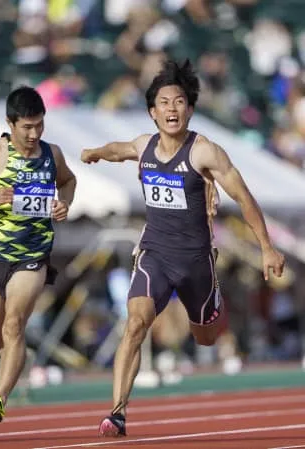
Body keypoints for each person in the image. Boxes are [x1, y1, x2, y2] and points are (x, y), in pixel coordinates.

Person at [81, 59, 285, 437]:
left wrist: (267, 248)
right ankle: (117, 413)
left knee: (204, 336)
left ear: (189, 110)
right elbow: (120, 149)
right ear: (152, 112)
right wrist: (94, 151)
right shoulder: (144, 146)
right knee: (136, 324)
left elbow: (243, 197)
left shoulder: (205, 152)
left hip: (196, 263)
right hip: (154, 255)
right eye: (164, 103)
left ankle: (214, 306)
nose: (172, 109)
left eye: (179, 102)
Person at [0, 86, 76, 423]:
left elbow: (68, 180)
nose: (34, 134)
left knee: (14, 324)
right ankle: (16, 356)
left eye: (39, 125)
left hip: (32, 254)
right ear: (10, 123)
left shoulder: (53, 154)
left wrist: (64, 203)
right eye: (27, 127)